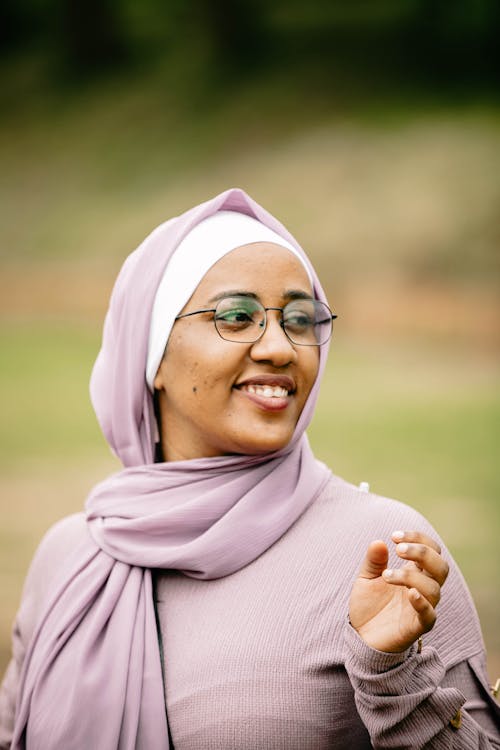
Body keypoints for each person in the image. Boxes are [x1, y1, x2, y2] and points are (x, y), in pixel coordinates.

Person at [0, 187, 499, 749]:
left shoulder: (383, 554)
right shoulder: (70, 557)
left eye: (299, 318)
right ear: (151, 353)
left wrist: (395, 677)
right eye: (237, 317)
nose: (281, 348)